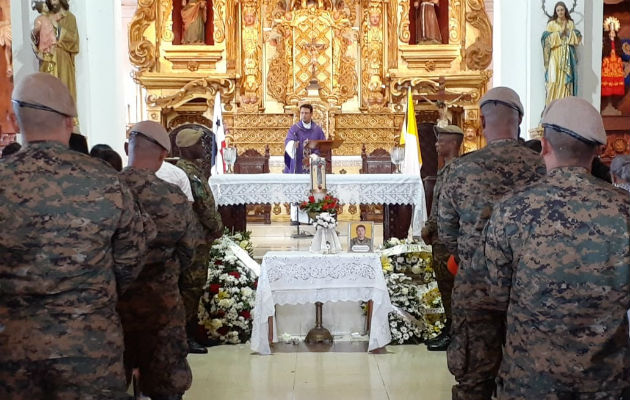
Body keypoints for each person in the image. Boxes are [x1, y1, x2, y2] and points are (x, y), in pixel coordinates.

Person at [468, 96, 630, 399]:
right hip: (606, 383)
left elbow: (495, 293)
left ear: (544, 145)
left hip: (531, 382)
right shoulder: (625, 210)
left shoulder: (511, 209)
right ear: (599, 150)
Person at [0, 73, 148, 399]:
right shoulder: (106, 181)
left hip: (11, 350)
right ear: (69, 122)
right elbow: (132, 257)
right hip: (89, 349)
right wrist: (93, 294)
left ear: (13, 117)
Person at [438, 87, 546, 400]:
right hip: (531, 286)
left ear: (482, 121)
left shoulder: (460, 169)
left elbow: (447, 231)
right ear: (520, 121)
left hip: (477, 286)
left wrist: (474, 258)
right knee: (528, 379)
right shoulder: (542, 166)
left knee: (474, 380)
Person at [118, 121, 202, 400]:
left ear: (128, 148)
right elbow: (189, 250)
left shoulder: (106, 191)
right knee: (167, 385)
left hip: (113, 306)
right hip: (161, 305)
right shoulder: (171, 196)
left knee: (113, 381)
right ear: (163, 154)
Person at [176, 128, 223, 353]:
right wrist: (217, 227)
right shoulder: (188, 172)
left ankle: (193, 332)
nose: (201, 147)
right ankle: (185, 337)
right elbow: (203, 205)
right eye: (197, 144)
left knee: (195, 287)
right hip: (194, 238)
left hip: (198, 238)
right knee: (190, 287)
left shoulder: (191, 170)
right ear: (186, 148)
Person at [421, 124, 463, 352]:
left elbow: (446, 206)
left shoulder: (456, 170)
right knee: (444, 286)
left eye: (442, 140)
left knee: (450, 287)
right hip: (440, 238)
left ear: (453, 144)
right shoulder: (445, 169)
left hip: (448, 240)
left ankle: (454, 332)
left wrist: (430, 226)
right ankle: (450, 328)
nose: (436, 144)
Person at [541, 1, 582, 105]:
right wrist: (559, 33)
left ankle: (565, 105)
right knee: (553, 80)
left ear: (565, 10)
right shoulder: (551, 24)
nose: (560, 12)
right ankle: (551, 105)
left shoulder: (570, 23)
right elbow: (547, 40)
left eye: (562, 10)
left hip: (566, 56)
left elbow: (577, 38)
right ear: (556, 11)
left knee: (565, 81)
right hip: (555, 55)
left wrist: (568, 33)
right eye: (558, 10)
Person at [44, 0, 79, 103]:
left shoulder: (70, 17)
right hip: (48, 60)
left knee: (65, 93)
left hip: (63, 62)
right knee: (49, 94)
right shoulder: (44, 17)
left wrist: (57, 29)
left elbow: (74, 42)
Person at [284, 104, 326, 174]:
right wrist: (293, 144)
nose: (303, 115)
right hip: (298, 164)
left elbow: (323, 146)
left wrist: (313, 156)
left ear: (311, 114)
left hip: (313, 165)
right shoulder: (294, 128)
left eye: (306, 113)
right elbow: (288, 141)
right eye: (302, 113)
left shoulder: (317, 130)